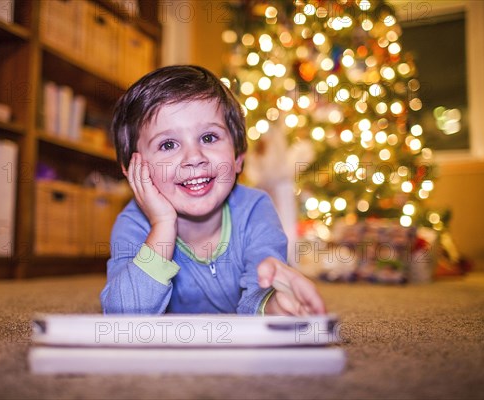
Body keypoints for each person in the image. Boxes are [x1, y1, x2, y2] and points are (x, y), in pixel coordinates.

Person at [100, 65, 325, 315]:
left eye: (208, 138)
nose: (194, 157)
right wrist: (162, 225)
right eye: (168, 144)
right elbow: (123, 316)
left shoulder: (255, 209)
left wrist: (275, 306)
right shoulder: (133, 224)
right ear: (133, 169)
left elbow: (261, 290)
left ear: (238, 157)